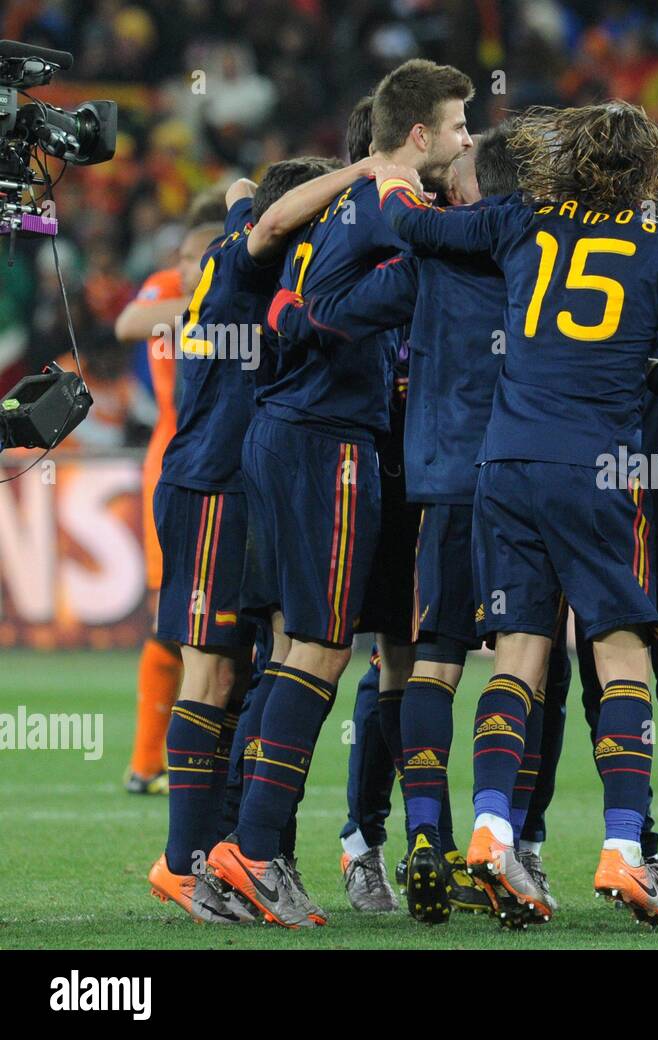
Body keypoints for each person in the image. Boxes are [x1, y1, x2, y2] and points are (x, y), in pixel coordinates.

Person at [369, 101, 658, 928]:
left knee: (517, 658)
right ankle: (625, 848)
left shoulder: (523, 220)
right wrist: (633, 373)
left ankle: (489, 828)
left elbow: (419, 229)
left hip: (505, 467)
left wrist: (387, 181)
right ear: (643, 171)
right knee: (620, 658)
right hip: (596, 467)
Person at [207, 60, 474, 929]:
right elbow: (328, 309)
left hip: (288, 437)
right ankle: (253, 849)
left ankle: (253, 850)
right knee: (320, 648)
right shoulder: (393, 206)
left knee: (297, 646)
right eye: (459, 124)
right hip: (328, 445)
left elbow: (295, 290)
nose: (468, 137)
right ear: (421, 135)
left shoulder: (350, 200)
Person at [145, 157, 350, 923]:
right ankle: (180, 864)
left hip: (250, 485)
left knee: (250, 672)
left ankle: (238, 852)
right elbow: (255, 209)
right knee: (210, 676)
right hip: (209, 484)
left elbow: (240, 191)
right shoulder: (243, 259)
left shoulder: (242, 234)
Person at [118, 194, 226, 796]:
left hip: (228, 465)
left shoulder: (245, 292)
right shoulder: (169, 287)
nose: (180, 266)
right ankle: (146, 762)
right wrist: (200, 301)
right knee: (171, 617)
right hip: (173, 463)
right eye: (182, 256)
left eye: (194, 257)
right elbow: (127, 324)